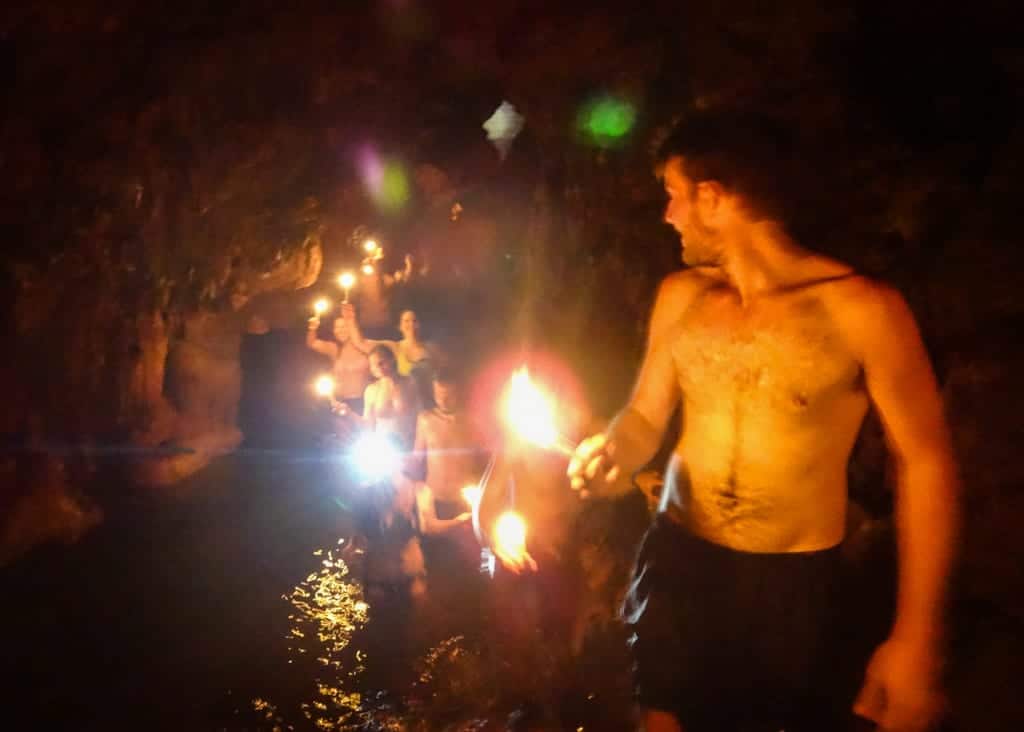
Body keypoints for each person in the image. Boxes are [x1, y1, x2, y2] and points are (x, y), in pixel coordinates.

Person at [567, 111, 959, 732]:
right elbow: (644, 414)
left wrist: (917, 639)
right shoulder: (683, 298)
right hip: (678, 560)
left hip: (790, 585)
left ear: (713, 198)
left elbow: (927, 464)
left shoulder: (862, 310)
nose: (667, 216)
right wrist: (614, 450)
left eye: (673, 197)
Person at [306, 304, 372, 416]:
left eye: (344, 326)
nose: (340, 330)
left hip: (365, 403)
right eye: (337, 327)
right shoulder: (335, 349)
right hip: (341, 403)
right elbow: (312, 343)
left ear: (352, 326)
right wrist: (312, 328)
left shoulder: (365, 346)